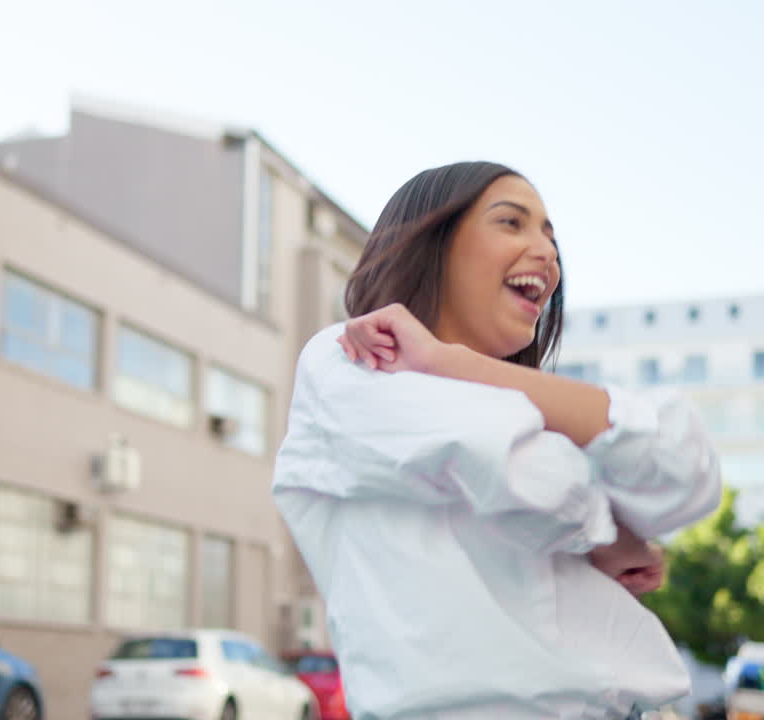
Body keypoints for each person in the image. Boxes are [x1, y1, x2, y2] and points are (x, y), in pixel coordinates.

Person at [272, 161, 721, 720]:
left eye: (551, 236)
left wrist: (451, 363)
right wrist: (614, 527)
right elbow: (529, 479)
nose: (546, 254)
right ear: (434, 244)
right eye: (512, 223)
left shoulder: (511, 399)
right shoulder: (351, 357)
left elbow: (686, 468)